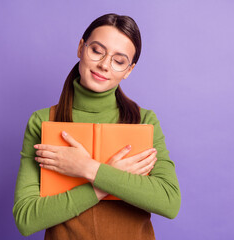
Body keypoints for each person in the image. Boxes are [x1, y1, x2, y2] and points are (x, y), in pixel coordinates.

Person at [13, 13, 181, 239]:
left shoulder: (145, 121)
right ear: (81, 48)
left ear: (129, 70)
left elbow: (169, 202)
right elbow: (26, 219)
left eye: (119, 61)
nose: (104, 65)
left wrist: (88, 168)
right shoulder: (43, 121)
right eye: (97, 51)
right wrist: (100, 186)